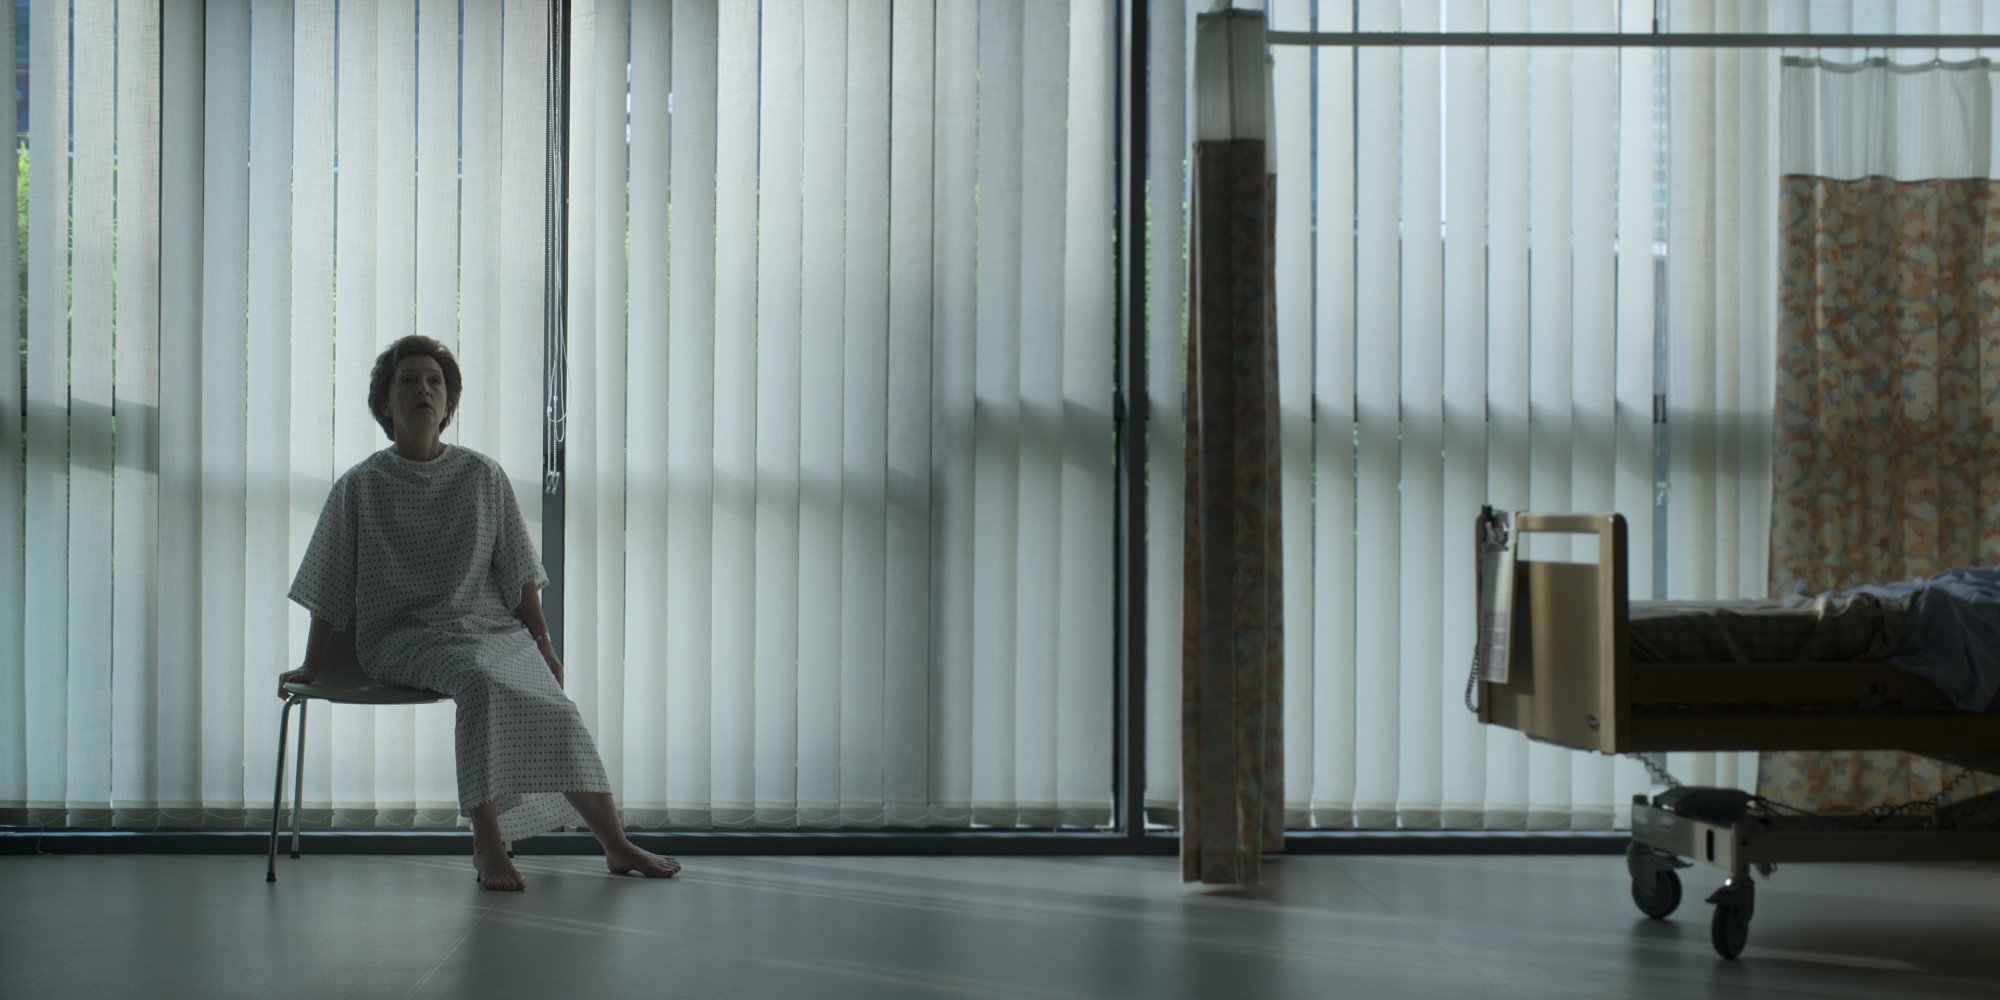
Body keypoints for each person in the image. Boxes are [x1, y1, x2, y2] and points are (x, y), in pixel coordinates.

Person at [278, 335, 680, 891]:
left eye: (435, 381)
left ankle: (615, 844)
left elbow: (518, 574)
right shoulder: (360, 487)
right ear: (385, 404)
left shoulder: (483, 475)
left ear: (449, 402)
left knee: (558, 707)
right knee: (478, 681)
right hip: (403, 636)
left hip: (492, 630)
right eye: (408, 381)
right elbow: (329, 584)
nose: (423, 389)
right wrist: (313, 663)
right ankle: (487, 842)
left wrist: (544, 647)